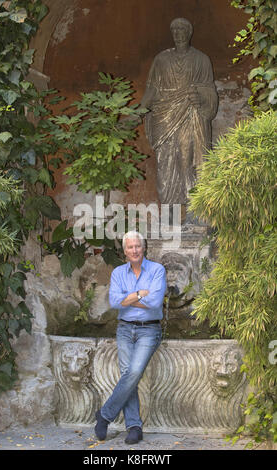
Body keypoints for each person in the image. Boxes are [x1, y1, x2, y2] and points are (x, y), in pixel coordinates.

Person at [94, 231, 167, 444]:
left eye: (137, 246)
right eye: (130, 247)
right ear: (124, 251)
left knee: (133, 371)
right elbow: (115, 302)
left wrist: (128, 299)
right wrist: (140, 293)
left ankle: (105, 415)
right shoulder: (118, 273)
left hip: (149, 330)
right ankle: (134, 426)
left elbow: (155, 303)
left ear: (143, 248)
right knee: (129, 375)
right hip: (125, 329)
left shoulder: (157, 270)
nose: (134, 250)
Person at [142, 18, 218, 207]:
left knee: (190, 162)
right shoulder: (161, 59)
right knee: (165, 165)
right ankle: (169, 212)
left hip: (192, 116)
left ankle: (195, 210)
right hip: (165, 117)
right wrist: (137, 111)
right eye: (174, 29)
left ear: (189, 32)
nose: (177, 33)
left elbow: (210, 90)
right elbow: (151, 90)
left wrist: (199, 95)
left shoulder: (201, 59)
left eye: (181, 29)